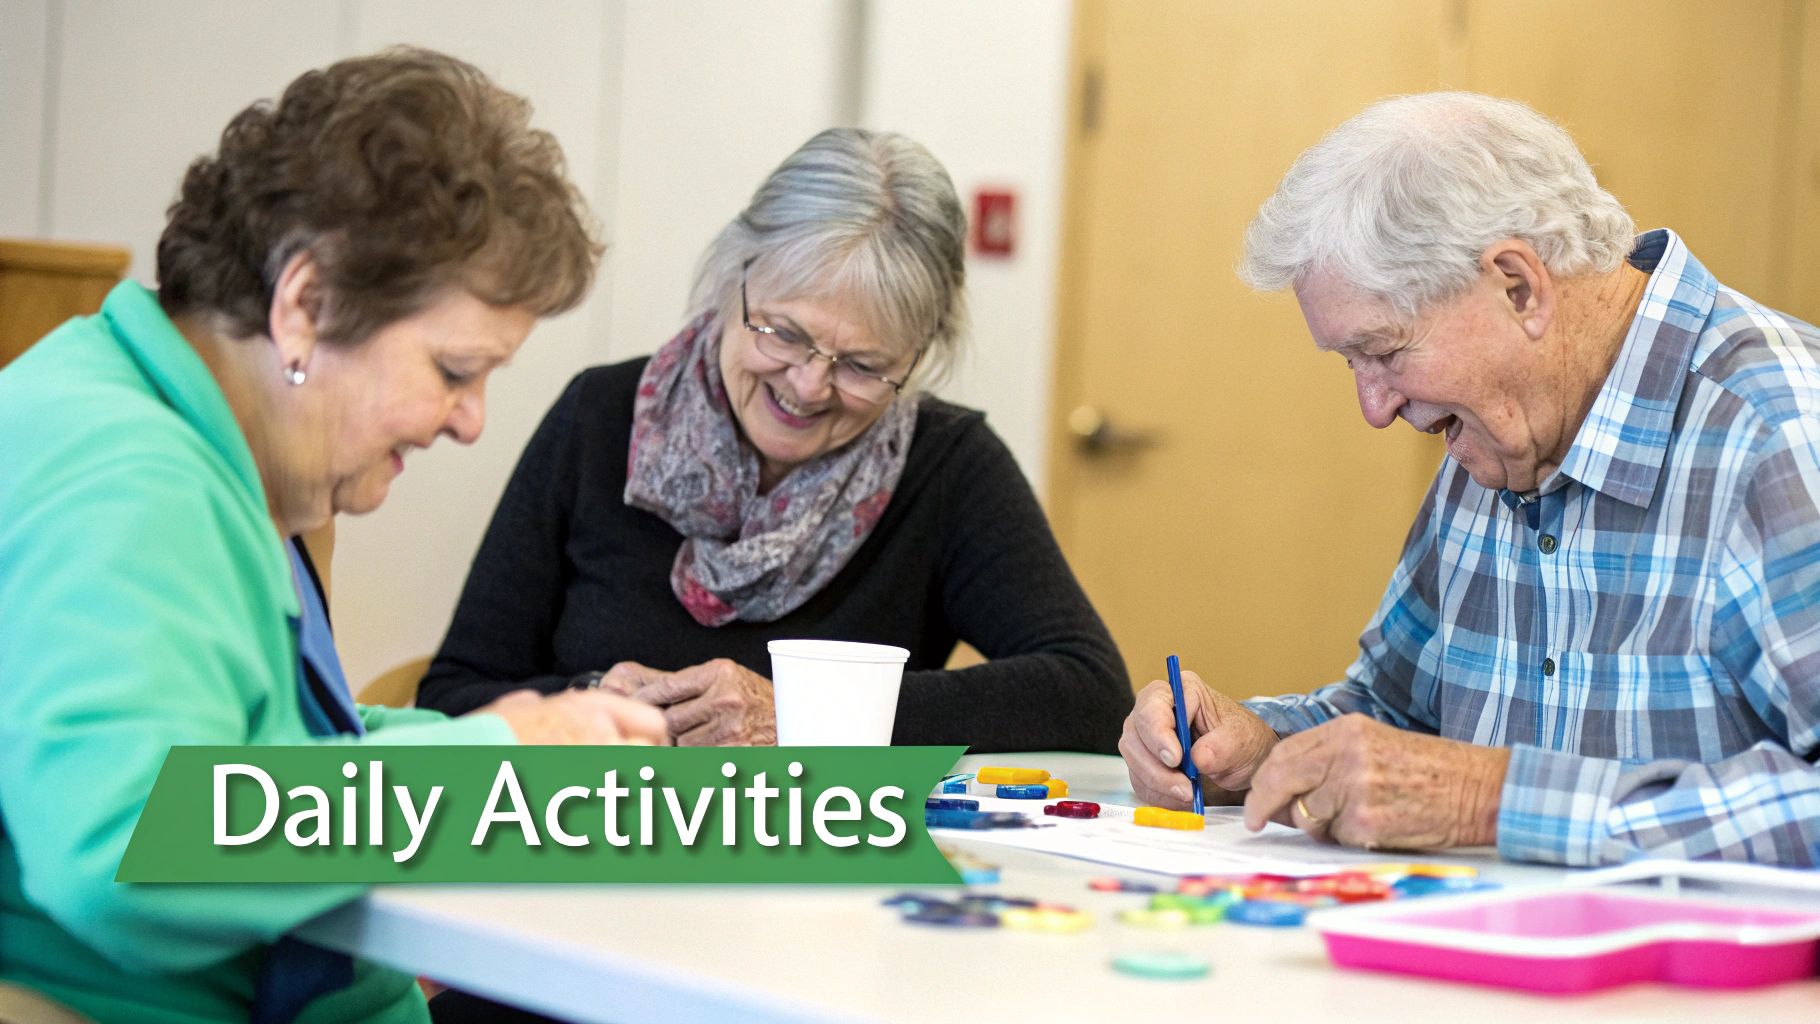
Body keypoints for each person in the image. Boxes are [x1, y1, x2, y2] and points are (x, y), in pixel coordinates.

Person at [0, 49, 665, 1024]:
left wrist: (529, 748)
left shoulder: (166, 424)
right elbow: (133, 844)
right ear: (305, 304)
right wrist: (484, 768)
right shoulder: (130, 481)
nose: (469, 419)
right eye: (451, 368)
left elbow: (277, 753)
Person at [1121, 92, 1820, 867]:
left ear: (1518, 287)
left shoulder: (1780, 431)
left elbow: (1460, 784)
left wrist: (1491, 801)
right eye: (1351, 364)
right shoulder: (1502, 424)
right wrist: (1262, 750)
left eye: (1385, 353)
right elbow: (1399, 712)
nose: (1375, 408)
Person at [417, 128, 1129, 752]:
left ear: (916, 358)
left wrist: (814, 716)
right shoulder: (599, 417)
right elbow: (451, 695)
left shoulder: (945, 465)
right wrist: (591, 696)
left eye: (862, 366)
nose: (809, 385)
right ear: (734, 279)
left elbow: (1090, 694)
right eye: (783, 333)